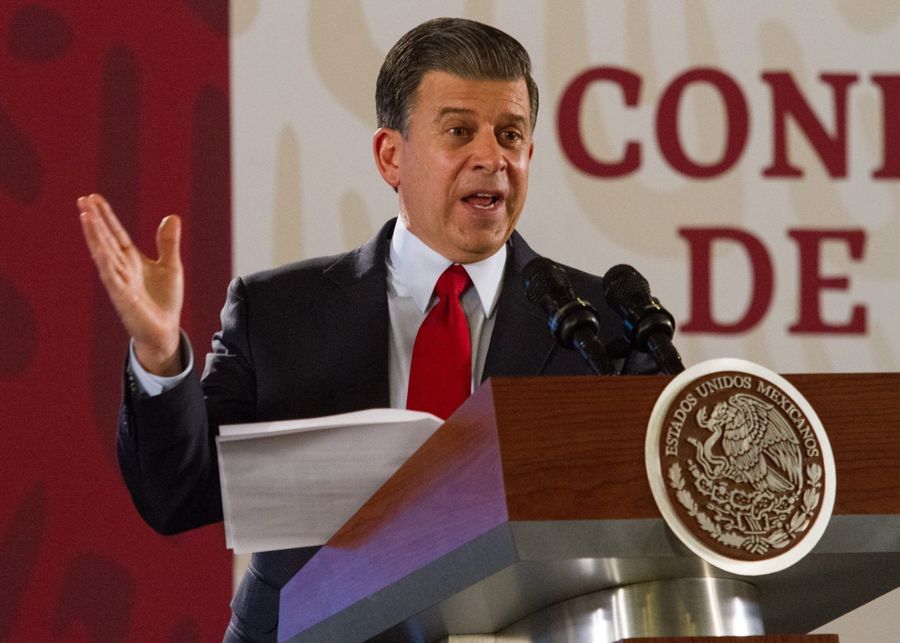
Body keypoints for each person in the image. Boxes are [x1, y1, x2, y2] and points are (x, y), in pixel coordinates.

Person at [79, 17, 658, 643]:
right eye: (460, 131)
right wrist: (160, 353)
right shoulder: (278, 312)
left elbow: (650, 523)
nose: (492, 158)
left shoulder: (600, 325)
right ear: (391, 156)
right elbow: (178, 494)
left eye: (510, 135)